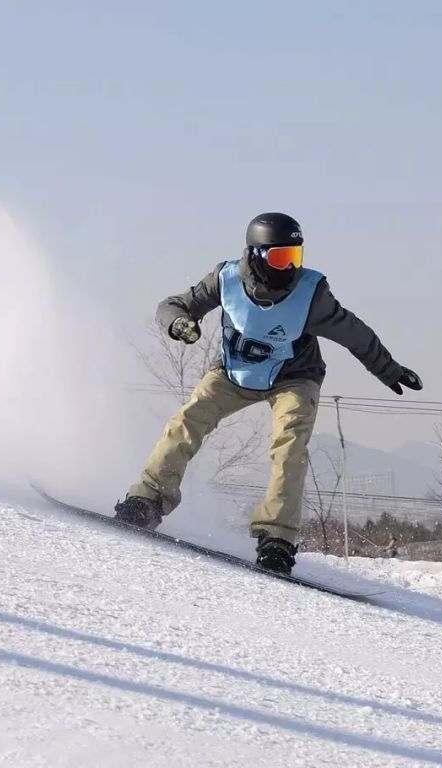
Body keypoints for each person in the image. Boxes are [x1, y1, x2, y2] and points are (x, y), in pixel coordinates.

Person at [115, 212, 422, 575]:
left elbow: (354, 333)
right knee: (186, 421)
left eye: (295, 258)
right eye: (280, 258)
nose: (289, 268)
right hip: (233, 373)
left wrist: (388, 370)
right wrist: (179, 324)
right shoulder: (225, 279)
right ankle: (148, 500)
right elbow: (172, 306)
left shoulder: (311, 295)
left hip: (294, 378)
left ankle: (277, 538)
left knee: (289, 446)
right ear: (257, 255)